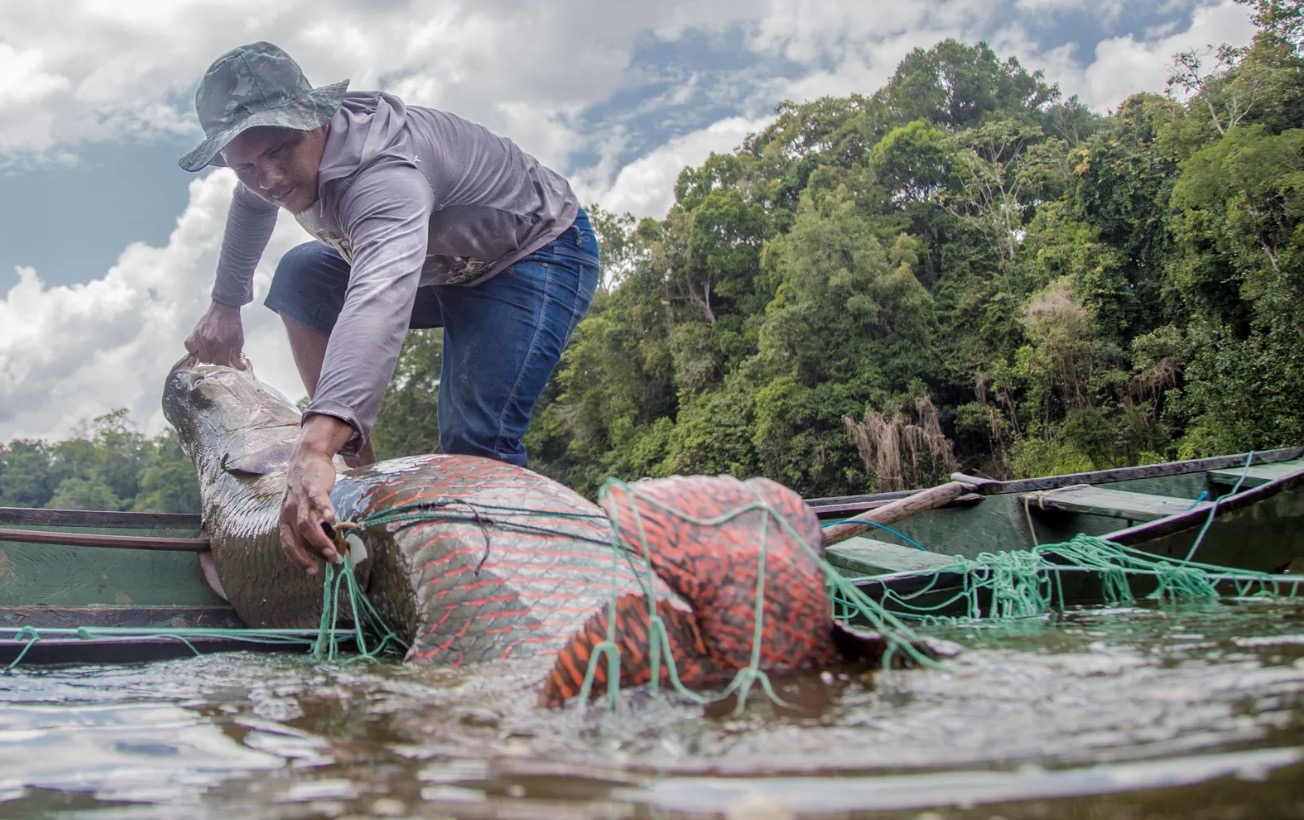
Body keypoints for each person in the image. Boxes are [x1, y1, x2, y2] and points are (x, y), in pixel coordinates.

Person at [179, 41, 600, 576]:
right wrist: (225, 304)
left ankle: (515, 581)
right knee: (301, 276)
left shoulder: (385, 176)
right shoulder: (267, 169)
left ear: (315, 121)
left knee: (475, 442)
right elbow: (251, 206)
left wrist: (311, 449)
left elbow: (378, 297)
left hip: (531, 255)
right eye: (246, 166)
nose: (270, 179)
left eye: (280, 152)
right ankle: (360, 475)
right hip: (438, 261)